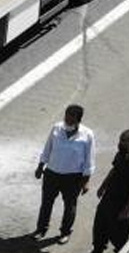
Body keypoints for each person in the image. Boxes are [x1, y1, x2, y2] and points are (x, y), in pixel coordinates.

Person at [75, 129, 129, 253]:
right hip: (109, 199)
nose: (120, 144)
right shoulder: (121, 155)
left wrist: (126, 210)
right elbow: (114, 170)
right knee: (100, 227)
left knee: (119, 237)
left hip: (122, 205)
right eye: (120, 141)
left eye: (124, 142)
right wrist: (103, 186)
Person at [35, 103, 95, 240]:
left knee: (70, 206)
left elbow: (89, 160)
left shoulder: (87, 135)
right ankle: (41, 229)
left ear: (78, 119)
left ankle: (65, 232)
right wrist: (40, 166)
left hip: (72, 178)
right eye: (66, 114)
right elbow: (47, 148)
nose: (67, 118)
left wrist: (86, 181)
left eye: (71, 116)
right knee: (46, 203)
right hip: (52, 173)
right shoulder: (56, 128)